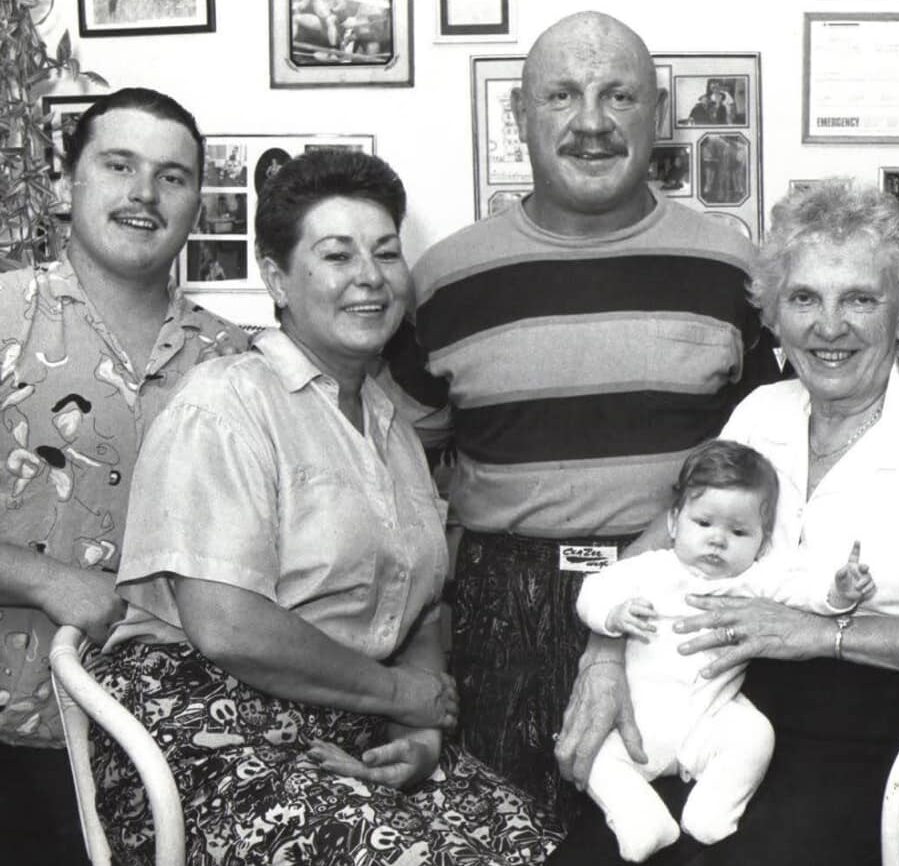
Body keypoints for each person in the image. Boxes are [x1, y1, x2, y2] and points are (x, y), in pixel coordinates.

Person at [86, 149, 563, 866]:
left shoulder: (392, 426)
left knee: (530, 841)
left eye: (385, 253)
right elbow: (229, 627)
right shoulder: (225, 403)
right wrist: (399, 691)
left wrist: (423, 728)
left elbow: (424, 607)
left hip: (350, 720)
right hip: (205, 725)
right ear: (277, 278)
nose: (369, 277)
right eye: (336, 255)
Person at [380, 10, 782, 826]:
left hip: (689, 601)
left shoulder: (734, 270)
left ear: (658, 116)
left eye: (619, 96)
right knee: (509, 838)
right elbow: (401, 478)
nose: (592, 122)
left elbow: (769, 458)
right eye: (561, 95)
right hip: (504, 608)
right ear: (519, 116)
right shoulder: (444, 281)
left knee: (697, 836)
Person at [551, 180, 899, 865]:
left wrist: (823, 634)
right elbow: (667, 541)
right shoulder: (761, 412)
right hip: (719, 710)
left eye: (858, 297)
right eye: (803, 298)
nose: (828, 326)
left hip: (880, 737)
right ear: (774, 314)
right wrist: (605, 654)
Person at [0, 88, 248, 866]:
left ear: (195, 206)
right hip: (10, 735)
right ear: (68, 184)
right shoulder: (7, 313)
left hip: (174, 737)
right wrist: (42, 578)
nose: (145, 192)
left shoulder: (233, 359)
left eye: (172, 177)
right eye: (119, 165)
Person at [577, 439, 873, 862]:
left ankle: (714, 808)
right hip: (637, 725)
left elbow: (807, 593)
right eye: (704, 524)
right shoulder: (649, 569)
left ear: (762, 542)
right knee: (593, 757)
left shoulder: (753, 580)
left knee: (754, 735)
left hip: (708, 723)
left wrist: (840, 592)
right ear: (675, 522)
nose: (718, 541)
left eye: (738, 532)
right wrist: (614, 614)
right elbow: (592, 591)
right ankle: (640, 818)